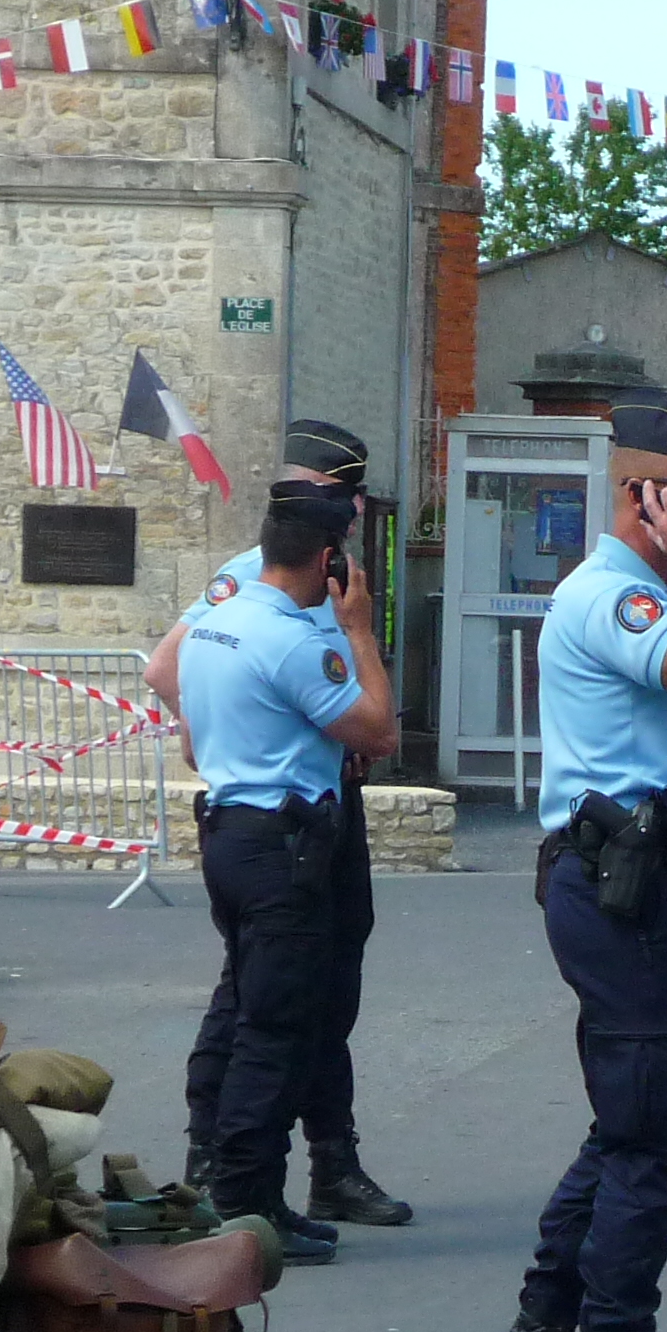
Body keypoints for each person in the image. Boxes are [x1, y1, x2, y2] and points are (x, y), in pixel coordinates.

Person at [484, 392, 667, 1332]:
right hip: (625, 887)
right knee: (652, 1144)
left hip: (638, 880)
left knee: (625, 1125)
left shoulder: (649, 591)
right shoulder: (614, 597)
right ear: (648, 495)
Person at [146, 417, 413, 1229]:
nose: (350, 515)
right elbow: (166, 669)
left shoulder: (316, 572)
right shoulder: (256, 578)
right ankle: (226, 1167)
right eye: (342, 499)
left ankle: (328, 1161)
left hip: (317, 798)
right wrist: (229, 738)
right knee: (270, 996)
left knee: (323, 984)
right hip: (285, 812)